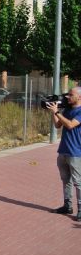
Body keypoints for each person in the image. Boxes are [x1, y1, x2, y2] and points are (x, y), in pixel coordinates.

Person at [46, 87, 81, 222]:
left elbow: (71, 125)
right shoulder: (67, 110)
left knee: (78, 182)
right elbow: (57, 125)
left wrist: (57, 113)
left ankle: (80, 209)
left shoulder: (79, 111)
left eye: (70, 95)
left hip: (76, 152)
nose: (67, 97)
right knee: (65, 180)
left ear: (79, 97)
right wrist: (54, 112)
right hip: (63, 151)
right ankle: (67, 206)